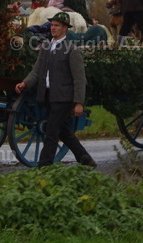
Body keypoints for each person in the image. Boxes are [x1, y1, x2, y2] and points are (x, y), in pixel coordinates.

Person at [15, 12, 96, 167]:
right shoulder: (45, 47)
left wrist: (79, 102)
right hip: (47, 95)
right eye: (52, 25)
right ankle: (85, 158)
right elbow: (36, 71)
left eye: (57, 25)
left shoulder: (72, 50)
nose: (53, 28)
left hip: (63, 98)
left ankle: (44, 166)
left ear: (65, 28)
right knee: (63, 131)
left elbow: (79, 79)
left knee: (51, 131)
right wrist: (25, 83)